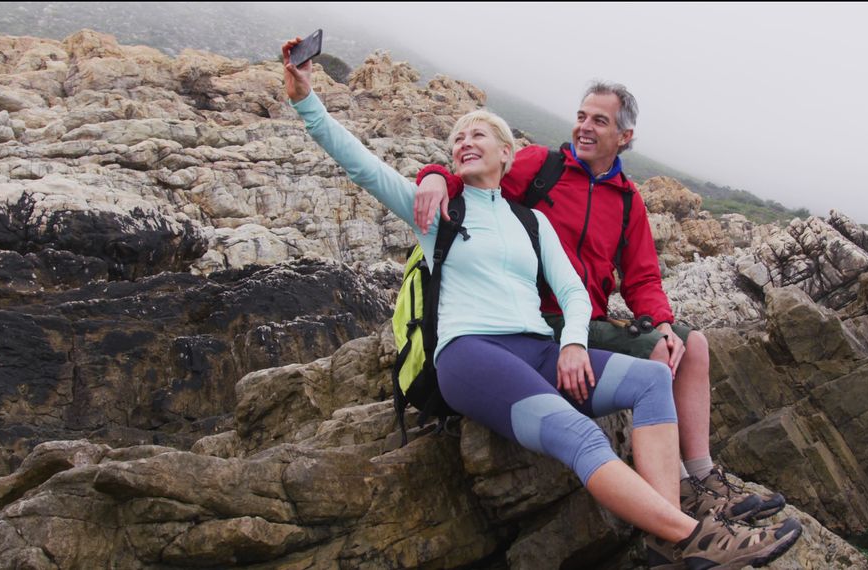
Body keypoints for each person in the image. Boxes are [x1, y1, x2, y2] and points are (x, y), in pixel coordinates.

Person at [282, 38, 801, 570]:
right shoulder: (438, 213)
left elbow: (576, 291)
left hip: (538, 345)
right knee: (576, 433)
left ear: (507, 154)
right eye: (457, 137)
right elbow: (359, 163)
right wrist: (307, 99)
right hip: (469, 353)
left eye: (477, 134)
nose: (464, 141)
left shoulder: (530, 220)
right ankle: (697, 536)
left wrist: (575, 343)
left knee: (652, 379)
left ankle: (668, 536)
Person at [413, 82, 791, 566]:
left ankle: (702, 477)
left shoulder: (627, 199)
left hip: (585, 317)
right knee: (656, 356)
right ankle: (677, 499)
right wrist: (433, 175)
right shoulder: (540, 166)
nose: (585, 128)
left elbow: (643, 276)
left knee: (688, 347)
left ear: (624, 136)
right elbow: (476, 175)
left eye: (600, 121)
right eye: (582, 116)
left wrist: (661, 322)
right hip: (537, 320)